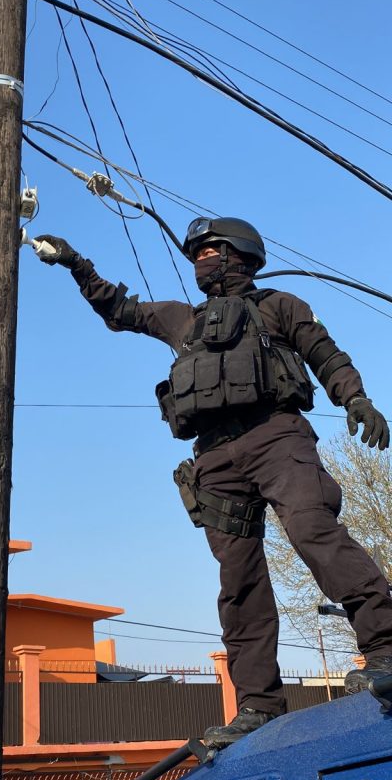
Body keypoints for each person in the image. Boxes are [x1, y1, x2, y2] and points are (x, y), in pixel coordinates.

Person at [30, 218, 392, 745]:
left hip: (277, 437)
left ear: (242, 253)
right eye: (196, 252)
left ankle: (384, 647)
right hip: (215, 459)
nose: (201, 258)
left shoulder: (279, 306)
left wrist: (355, 398)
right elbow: (120, 311)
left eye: (211, 249)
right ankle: (259, 705)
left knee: (312, 529)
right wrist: (74, 263)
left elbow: (324, 353)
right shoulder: (183, 321)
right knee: (238, 580)